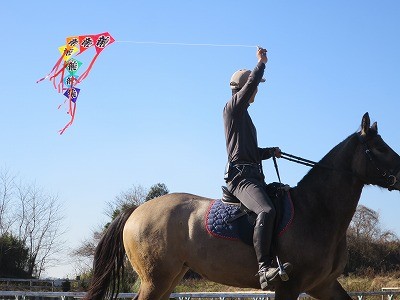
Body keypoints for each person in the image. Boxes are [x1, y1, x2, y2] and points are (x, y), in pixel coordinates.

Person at [223, 47, 290, 290]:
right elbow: (250, 85)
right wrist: (261, 64)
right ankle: (263, 269)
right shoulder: (233, 108)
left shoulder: (245, 118)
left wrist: (268, 152)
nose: (257, 91)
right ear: (242, 90)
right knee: (266, 210)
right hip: (242, 178)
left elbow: (249, 152)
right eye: (255, 87)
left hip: (254, 174)